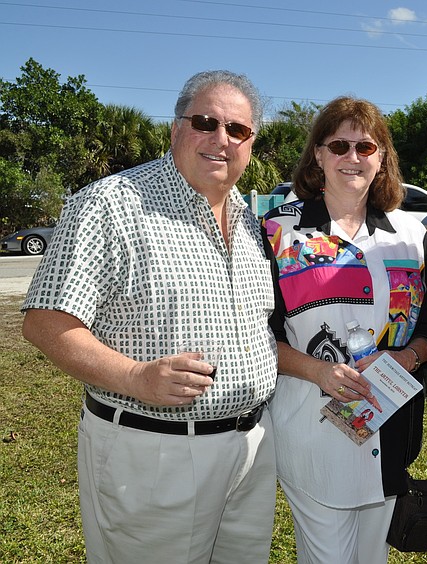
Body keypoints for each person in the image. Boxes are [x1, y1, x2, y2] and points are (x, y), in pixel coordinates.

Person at [20, 71, 278, 563]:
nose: (221, 139)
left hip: (250, 451)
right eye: (205, 122)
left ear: (251, 143)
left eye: (238, 130)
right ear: (176, 129)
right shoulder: (110, 203)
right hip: (155, 452)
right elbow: (45, 321)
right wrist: (137, 376)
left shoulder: (247, 218)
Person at [262, 96, 427, 563]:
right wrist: (318, 371)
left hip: (390, 427)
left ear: (382, 159)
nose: (352, 157)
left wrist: (407, 357)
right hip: (313, 429)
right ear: (317, 154)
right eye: (339, 145)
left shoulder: (411, 234)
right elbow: (255, 334)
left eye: (366, 146)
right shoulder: (278, 232)